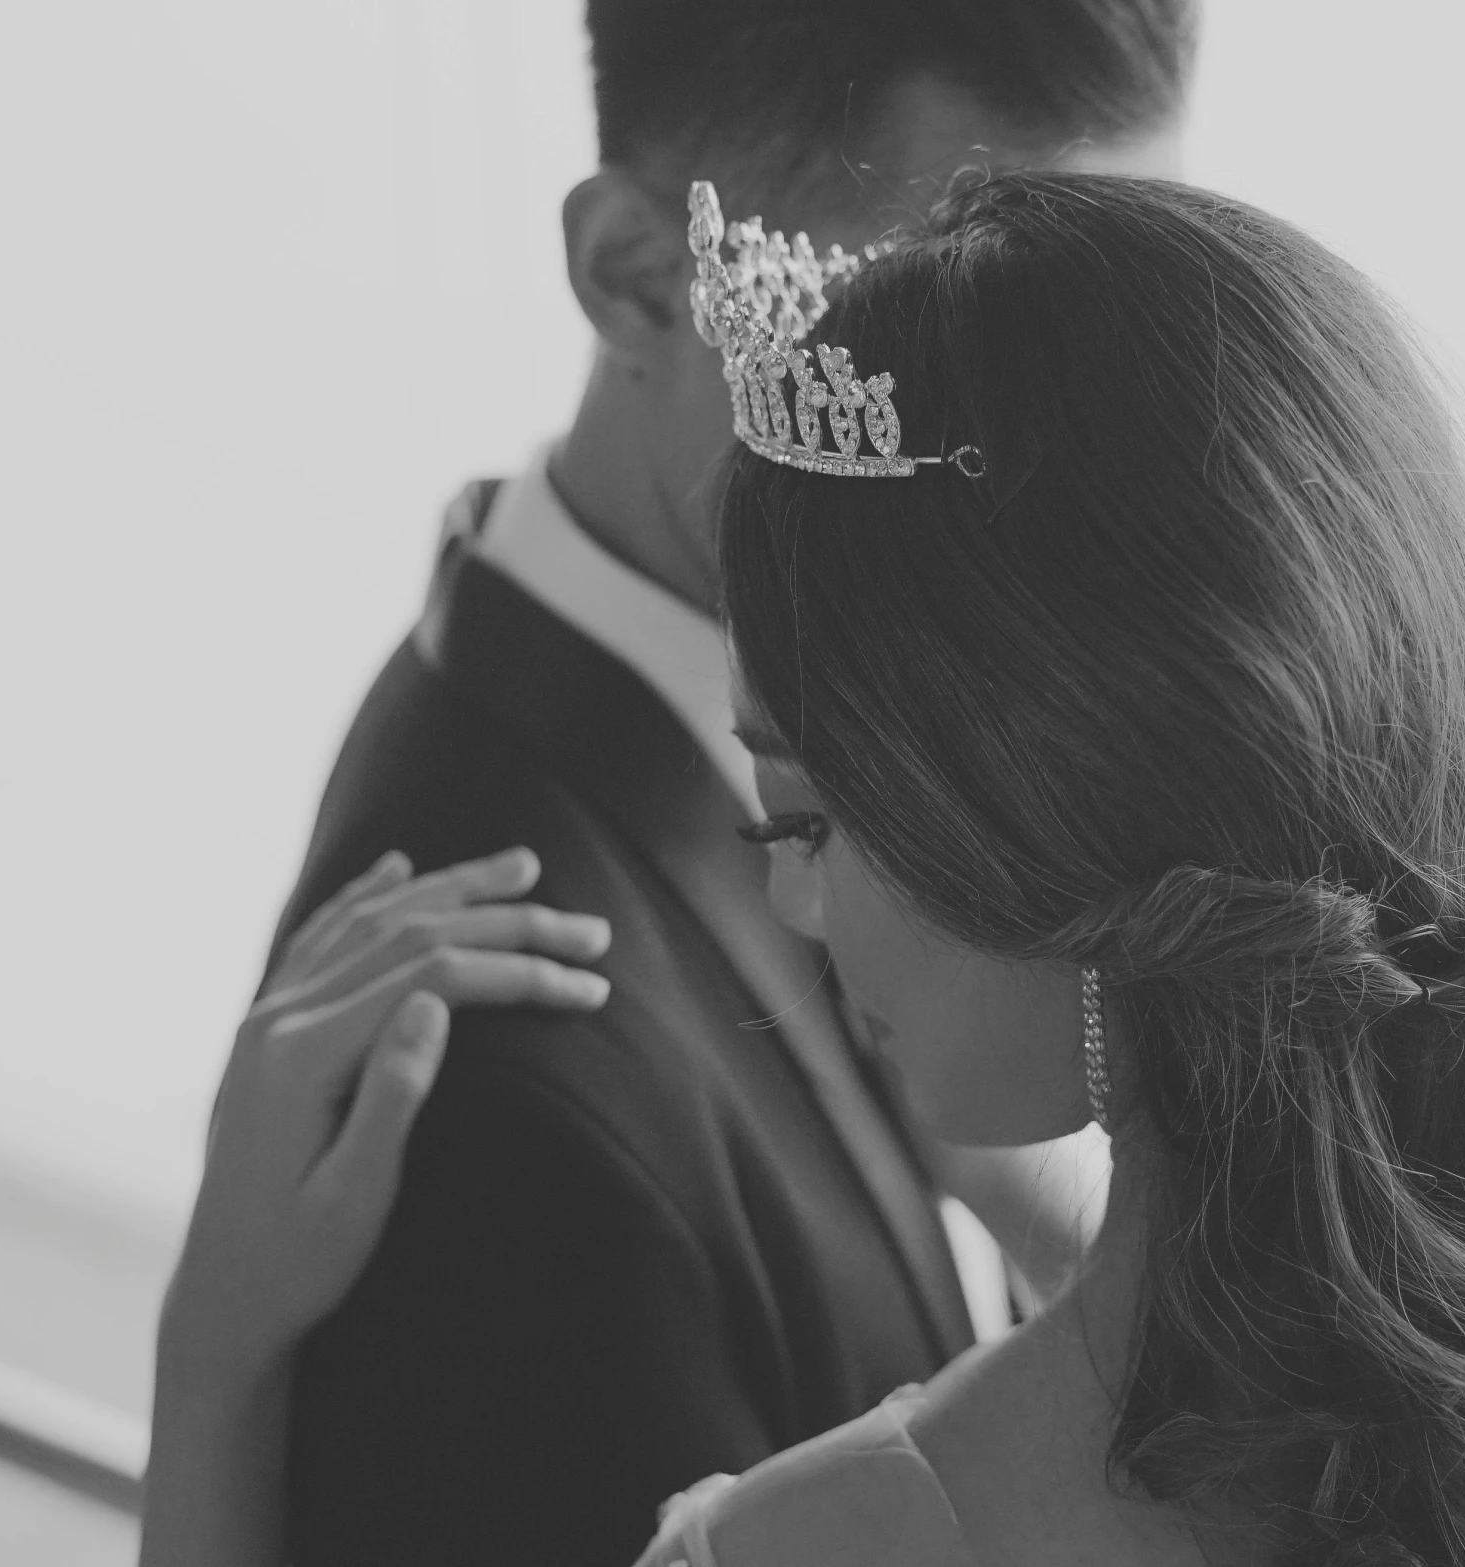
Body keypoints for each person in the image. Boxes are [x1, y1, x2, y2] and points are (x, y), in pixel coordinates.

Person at [147, 169, 1465, 1566]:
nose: (795, 911)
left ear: (1041, 824)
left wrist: (214, 1354)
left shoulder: (830, 1545)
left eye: (803, 822)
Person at [250, 4, 1196, 1563]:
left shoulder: (935, 793)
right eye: (944, 329)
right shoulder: (506, 1058)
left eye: (1106, 342)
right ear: (639, 275)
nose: (1060, 467)